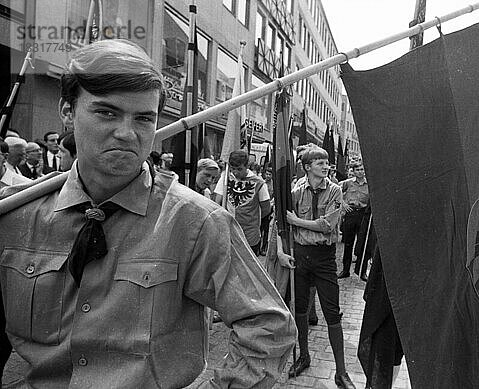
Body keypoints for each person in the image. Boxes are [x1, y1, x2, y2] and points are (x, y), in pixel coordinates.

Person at [0, 39, 295, 388]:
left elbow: (269, 327)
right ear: (67, 111)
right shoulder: (15, 216)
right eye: (106, 112)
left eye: (143, 118)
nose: (127, 133)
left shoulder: (195, 222)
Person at [286, 145, 355, 389]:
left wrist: (297, 221)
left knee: (332, 311)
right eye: (320, 163)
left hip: (325, 258)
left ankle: (341, 372)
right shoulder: (294, 192)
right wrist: (280, 253)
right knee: (301, 309)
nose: (326, 167)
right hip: (301, 255)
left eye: (326, 163)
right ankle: (304, 356)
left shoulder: (335, 191)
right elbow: (280, 224)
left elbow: (328, 225)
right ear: (307, 167)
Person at [214, 150, 271, 255]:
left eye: (239, 169)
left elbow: (266, 209)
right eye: (233, 169)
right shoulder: (225, 178)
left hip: (250, 235)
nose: (235, 172)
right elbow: (217, 202)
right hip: (229, 232)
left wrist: (252, 220)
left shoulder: (259, 183)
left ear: (246, 166)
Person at [338, 161, 369, 278]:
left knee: (363, 244)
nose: (360, 172)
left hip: (363, 215)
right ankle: (345, 270)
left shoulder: (369, 184)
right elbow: (336, 190)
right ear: (353, 171)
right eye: (358, 170)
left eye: (362, 169)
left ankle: (362, 272)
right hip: (350, 214)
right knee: (348, 243)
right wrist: (343, 203)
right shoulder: (347, 183)